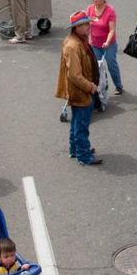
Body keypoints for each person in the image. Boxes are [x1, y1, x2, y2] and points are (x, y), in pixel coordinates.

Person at [55, 11, 102, 165]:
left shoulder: (77, 41)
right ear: (77, 27)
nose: (89, 26)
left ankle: (76, 149)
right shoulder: (73, 45)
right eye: (86, 24)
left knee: (77, 121)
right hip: (81, 91)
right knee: (81, 124)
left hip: (81, 90)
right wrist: (90, 86)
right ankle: (84, 155)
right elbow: (75, 75)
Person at [87, 0, 124, 96]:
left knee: (111, 64)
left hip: (108, 44)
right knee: (96, 67)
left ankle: (118, 85)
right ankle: (98, 88)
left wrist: (107, 42)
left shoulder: (110, 10)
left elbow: (112, 29)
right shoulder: (89, 9)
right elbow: (87, 25)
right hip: (94, 44)